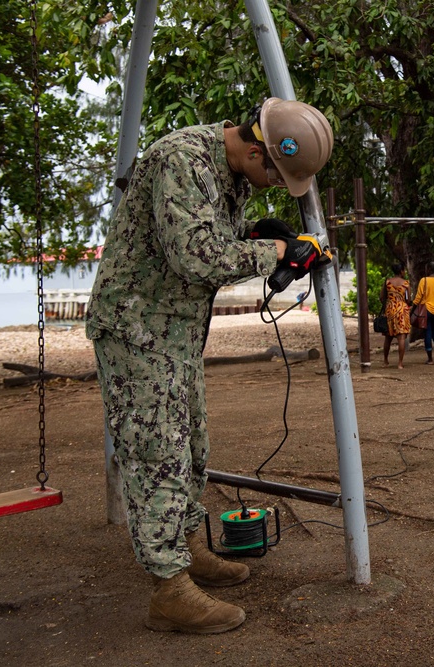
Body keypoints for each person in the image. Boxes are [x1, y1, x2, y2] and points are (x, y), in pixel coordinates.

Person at [85, 97, 333, 635]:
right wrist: (278, 254)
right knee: (157, 454)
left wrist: (256, 236)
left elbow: (208, 236)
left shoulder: (231, 172)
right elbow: (196, 256)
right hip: (136, 328)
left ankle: (189, 550)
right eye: (275, 175)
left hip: (173, 330)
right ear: (254, 148)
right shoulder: (183, 160)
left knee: (191, 444)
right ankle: (168, 590)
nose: (270, 185)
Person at [381, 262, 411, 368]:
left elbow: (382, 297)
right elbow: (408, 299)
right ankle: (400, 363)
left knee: (388, 338)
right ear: (401, 271)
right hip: (402, 310)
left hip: (390, 309)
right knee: (401, 338)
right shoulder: (406, 283)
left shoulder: (387, 282)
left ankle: (385, 361)